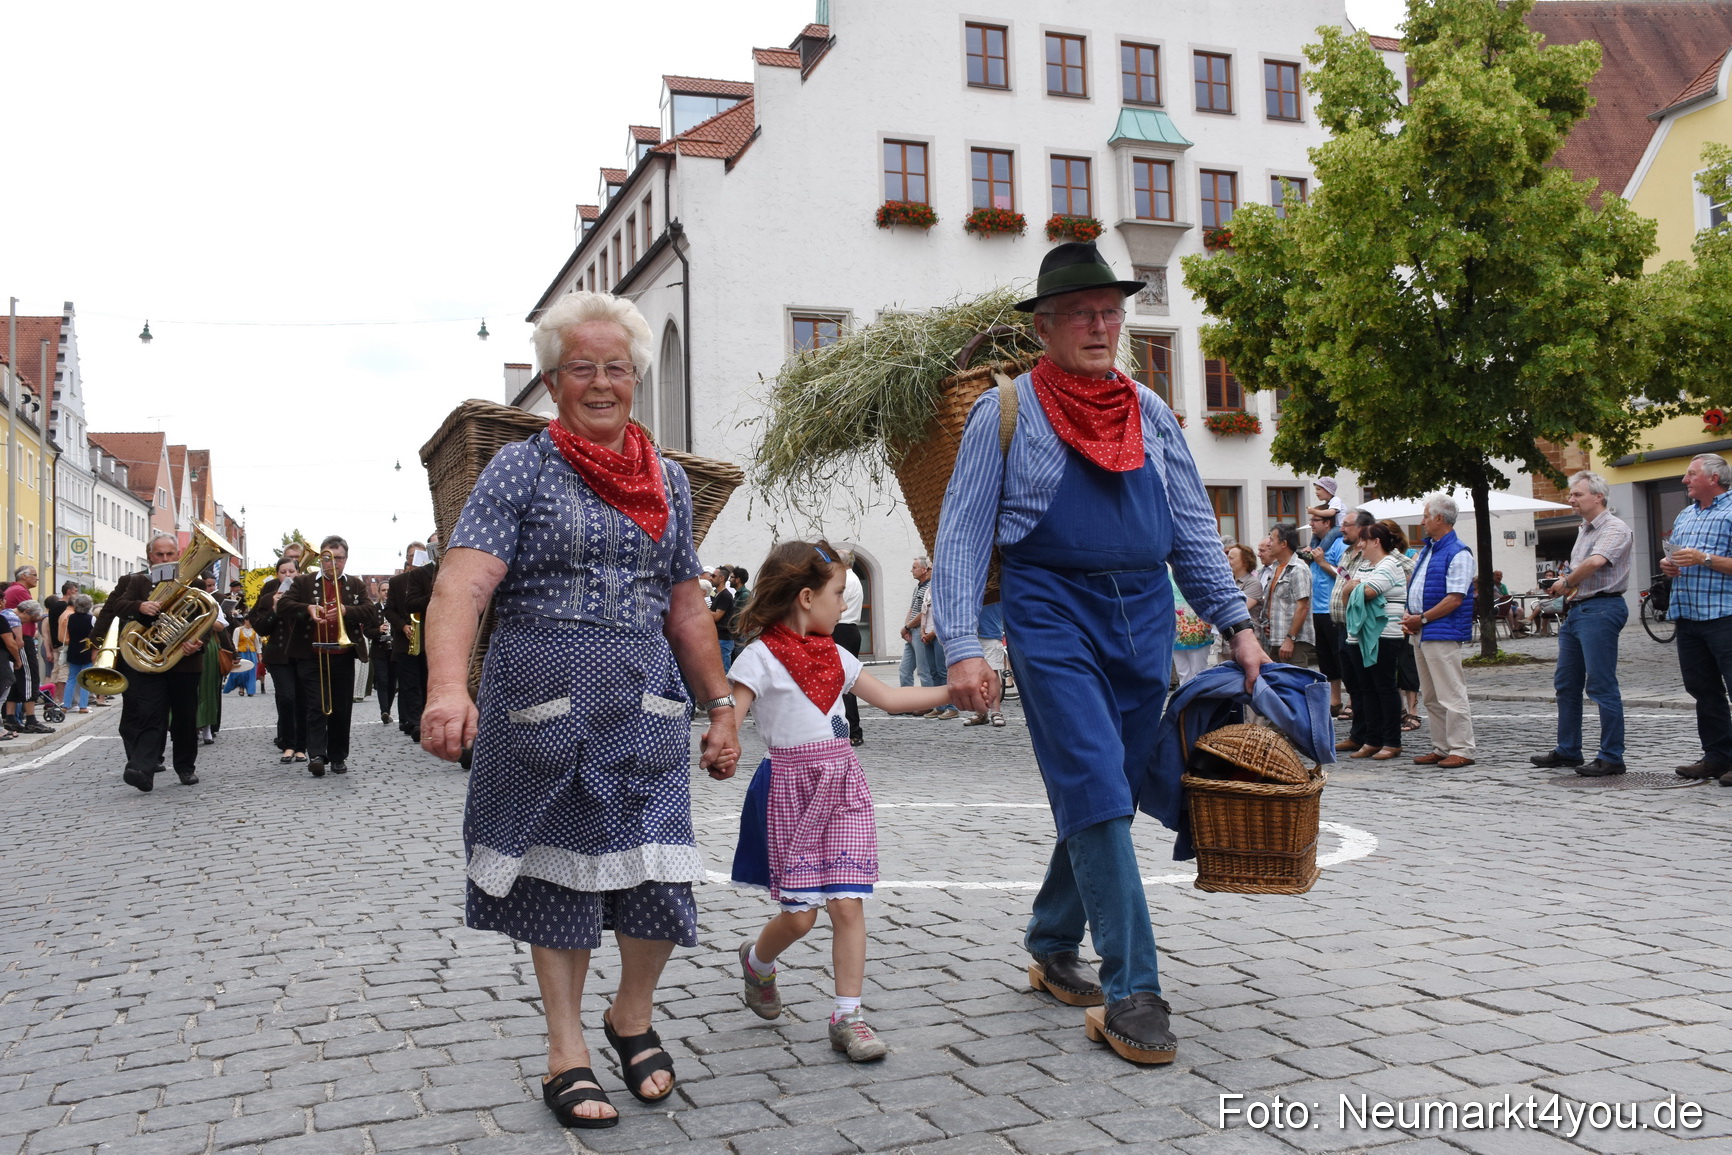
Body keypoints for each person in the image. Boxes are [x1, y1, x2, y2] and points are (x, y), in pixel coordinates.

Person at [933, 242, 1264, 1066]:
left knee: (1106, 785)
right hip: (1050, 611)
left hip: (1144, 614)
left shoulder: (1150, 411)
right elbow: (962, 536)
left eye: (1110, 312)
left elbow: (1193, 529)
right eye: (1080, 313)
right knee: (1093, 777)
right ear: (1043, 327)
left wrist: (1237, 622)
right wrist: (963, 645)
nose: (1098, 326)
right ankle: (1134, 989)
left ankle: (1051, 939)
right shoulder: (1004, 411)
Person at [419, 290, 739, 1130]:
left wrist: (719, 703)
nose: (602, 382)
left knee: (660, 872)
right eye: (582, 368)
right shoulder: (519, 468)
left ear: (635, 377)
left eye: (616, 368)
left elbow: (687, 607)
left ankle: (631, 1012)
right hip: (544, 700)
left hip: (645, 701)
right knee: (556, 876)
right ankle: (566, 1048)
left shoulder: (668, 478)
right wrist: (448, 687)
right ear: (554, 382)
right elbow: (462, 585)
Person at [727, 540, 951, 1062]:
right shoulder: (759, 658)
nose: (845, 605)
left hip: (844, 787)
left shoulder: (838, 655)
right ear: (806, 598)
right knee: (801, 918)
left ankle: (847, 1016)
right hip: (790, 792)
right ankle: (758, 963)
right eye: (837, 594)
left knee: (848, 904)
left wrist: (953, 692)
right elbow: (728, 721)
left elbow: (891, 698)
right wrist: (722, 742)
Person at [1527, 472, 1632, 777]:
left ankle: (1611, 757)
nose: (1570, 499)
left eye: (1577, 494)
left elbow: (1596, 562)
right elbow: (1582, 570)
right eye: (1571, 494)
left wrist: (1567, 581)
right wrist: (1565, 585)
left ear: (1598, 496)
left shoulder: (1614, 528)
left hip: (1601, 608)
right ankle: (1568, 749)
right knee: (1566, 683)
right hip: (1579, 609)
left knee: (1601, 684)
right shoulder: (1584, 529)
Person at [102, 533, 208, 790]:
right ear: (150, 557)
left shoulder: (194, 583)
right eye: (159, 554)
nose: (165, 558)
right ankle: (142, 769)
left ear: (178, 555)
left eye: (170, 554)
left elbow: (204, 617)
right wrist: (140, 606)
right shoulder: (139, 582)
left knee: (185, 718)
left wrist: (196, 642)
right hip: (148, 661)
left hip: (184, 660)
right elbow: (118, 606)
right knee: (149, 714)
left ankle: (185, 768)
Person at [279, 536, 379, 777]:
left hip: (342, 654)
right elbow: (283, 606)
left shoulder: (355, 584)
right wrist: (307, 608)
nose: (333, 564)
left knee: (341, 708)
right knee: (316, 704)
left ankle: (338, 756)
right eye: (328, 558)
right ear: (320, 559)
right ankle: (317, 755)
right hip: (312, 654)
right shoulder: (303, 582)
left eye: (339, 558)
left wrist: (346, 610)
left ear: (346, 559)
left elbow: (370, 611)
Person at [1661, 453, 1732, 783]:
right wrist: (1668, 566)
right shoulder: (1686, 514)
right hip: (1688, 615)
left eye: (1691, 474)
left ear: (1713, 478)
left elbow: (1703, 559)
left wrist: (1704, 558)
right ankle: (1717, 758)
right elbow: (1676, 557)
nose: (1684, 480)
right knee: (1703, 690)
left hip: (1725, 615)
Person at [1402, 495, 1477, 768]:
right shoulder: (1429, 550)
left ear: (1439, 518)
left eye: (1425, 516)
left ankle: (1462, 748)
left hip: (1442, 631)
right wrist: (1412, 615)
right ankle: (1442, 747)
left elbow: (1454, 599)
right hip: (1423, 630)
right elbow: (1419, 587)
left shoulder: (1458, 552)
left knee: (1451, 693)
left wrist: (1420, 618)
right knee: (1432, 695)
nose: (1422, 521)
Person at [1340, 522, 1408, 760]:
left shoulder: (1389, 564)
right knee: (1366, 689)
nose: (1360, 545)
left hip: (1383, 635)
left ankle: (1392, 741)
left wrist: (1352, 589)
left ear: (1376, 542)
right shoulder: (1365, 566)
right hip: (1359, 635)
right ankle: (1372, 740)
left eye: (1364, 540)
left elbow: (1369, 592)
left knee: (1384, 687)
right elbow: (1348, 598)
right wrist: (1350, 589)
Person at [251, 557, 307, 764]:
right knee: (287, 697)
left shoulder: (306, 595)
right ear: (277, 575)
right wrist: (274, 609)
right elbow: (261, 628)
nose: (288, 575)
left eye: (292, 571)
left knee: (302, 699)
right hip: (278, 656)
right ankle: (288, 744)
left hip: (302, 654)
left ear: (298, 573)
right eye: (283, 572)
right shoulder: (268, 598)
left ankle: (301, 746)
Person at [1328, 510, 1374, 749]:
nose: (1341, 529)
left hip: (1360, 629)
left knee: (1366, 684)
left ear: (1362, 528)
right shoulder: (1346, 553)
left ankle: (1372, 736)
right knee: (1352, 685)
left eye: (1346, 525)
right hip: (1342, 628)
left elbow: (1407, 567)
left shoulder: (1373, 554)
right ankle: (1358, 736)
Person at [385, 538, 436, 740]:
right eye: (411, 556)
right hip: (405, 639)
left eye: (419, 555)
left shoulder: (431, 576)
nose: (415, 559)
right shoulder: (397, 582)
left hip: (427, 637)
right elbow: (389, 609)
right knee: (409, 683)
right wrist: (402, 626)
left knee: (425, 681)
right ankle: (413, 722)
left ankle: (422, 719)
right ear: (407, 559)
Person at [1301, 509, 1346, 713]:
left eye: (1315, 520)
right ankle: (1335, 700)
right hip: (1316, 610)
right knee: (1325, 658)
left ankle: (1352, 702)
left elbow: (1345, 575)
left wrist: (1322, 562)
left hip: (1333, 610)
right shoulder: (1316, 545)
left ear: (1328, 523)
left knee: (1340, 656)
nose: (1311, 523)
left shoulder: (1339, 544)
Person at [1260, 524, 1314, 666]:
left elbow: (1303, 607)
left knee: (1294, 678)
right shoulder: (1276, 568)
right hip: (1276, 639)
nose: (1268, 544)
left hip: (1293, 643)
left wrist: (1290, 638)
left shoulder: (1298, 569)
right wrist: (1268, 624)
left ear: (1283, 544)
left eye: (1272, 540)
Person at [832, 558, 866, 743]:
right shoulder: (850, 578)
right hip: (846, 629)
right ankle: (850, 729)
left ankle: (853, 730)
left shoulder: (847, 579)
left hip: (843, 629)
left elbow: (835, 605)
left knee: (845, 682)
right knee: (843, 682)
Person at [963, 600, 1009, 726]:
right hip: (972, 636)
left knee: (993, 674)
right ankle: (981, 712)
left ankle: (996, 712)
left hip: (991, 634)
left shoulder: (995, 589)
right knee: (975, 676)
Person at [61, 594, 98, 712]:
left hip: (73, 649)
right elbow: (95, 636)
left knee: (71, 678)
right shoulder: (92, 619)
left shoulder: (70, 617)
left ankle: (66, 705)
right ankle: (83, 706)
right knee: (85, 679)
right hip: (87, 650)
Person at [710, 565, 737, 670]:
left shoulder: (725, 595)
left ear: (721, 578)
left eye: (713, 576)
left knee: (723, 669)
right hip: (718, 637)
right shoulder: (717, 594)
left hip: (724, 639)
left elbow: (717, 616)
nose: (711, 578)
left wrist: (702, 609)